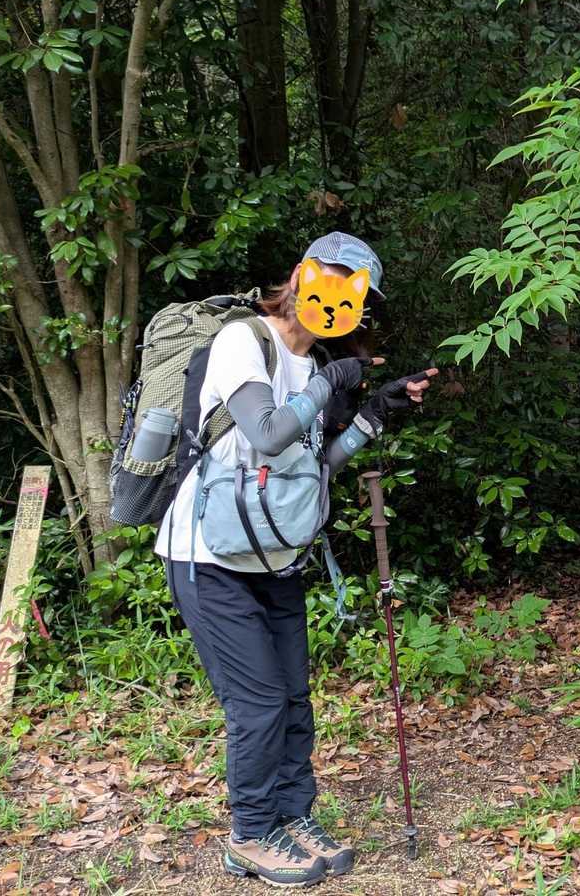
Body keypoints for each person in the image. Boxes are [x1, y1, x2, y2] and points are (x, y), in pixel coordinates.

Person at [156, 232, 437, 887]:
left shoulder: (312, 369)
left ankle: (292, 816)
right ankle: (251, 835)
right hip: (208, 556)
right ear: (300, 277)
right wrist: (330, 385)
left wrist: (372, 414)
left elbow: (311, 469)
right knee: (257, 703)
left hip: (274, 556)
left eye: (354, 292)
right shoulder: (244, 342)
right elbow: (267, 433)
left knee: (291, 698)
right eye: (330, 279)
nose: (339, 298)